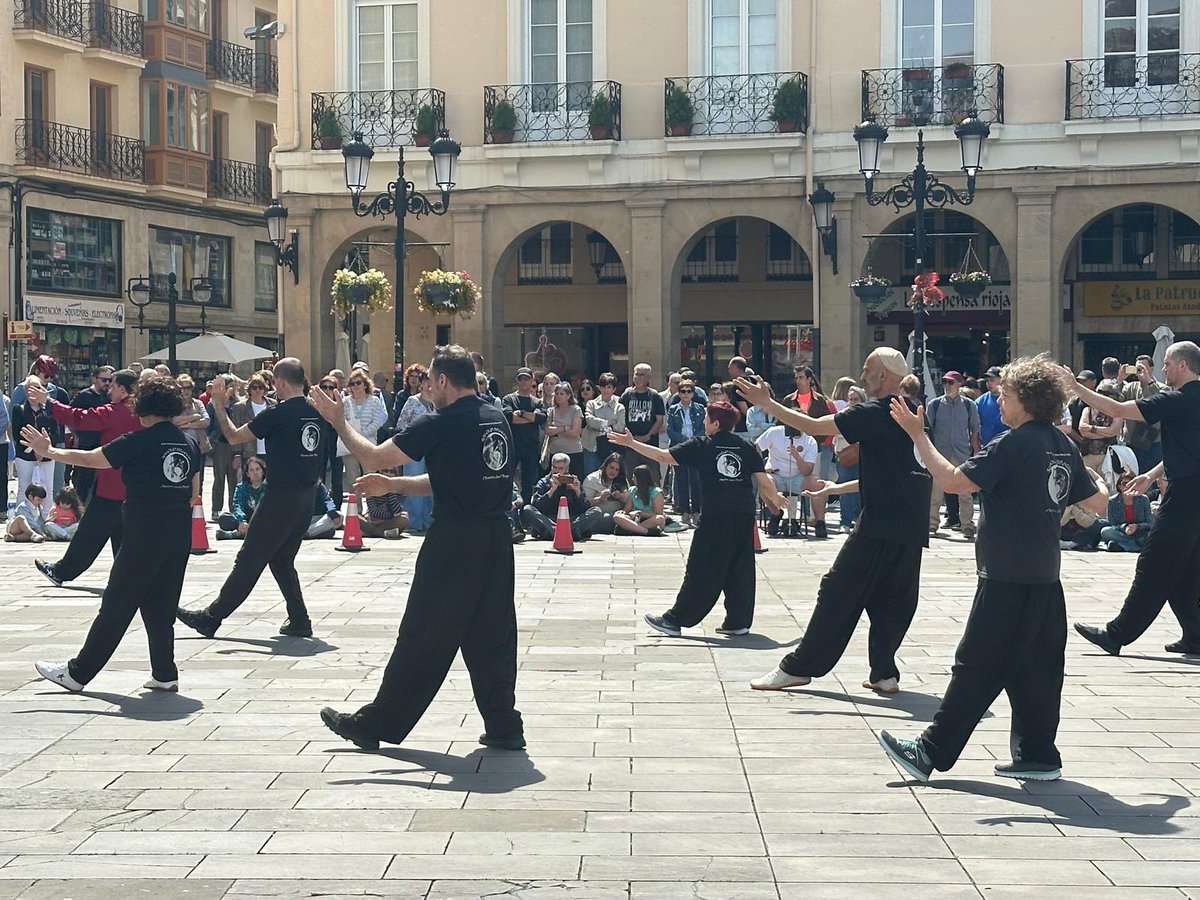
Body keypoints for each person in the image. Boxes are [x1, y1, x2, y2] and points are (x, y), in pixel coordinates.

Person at [877, 355, 1107, 783]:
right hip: (1044, 578)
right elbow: (1098, 503)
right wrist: (1105, 482)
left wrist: (917, 435)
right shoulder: (1061, 444)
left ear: (1027, 399)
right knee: (1038, 669)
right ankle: (1038, 755)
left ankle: (928, 752)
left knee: (975, 664)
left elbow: (952, 481)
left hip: (1005, 576)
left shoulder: (1014, 443)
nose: (1000, 399)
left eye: (1007, 393)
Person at [310, 345, 524, 752]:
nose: (428, 386)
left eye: (430, 379)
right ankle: (504, 725)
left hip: (454, 541)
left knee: (424, 631)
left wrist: (340, 421)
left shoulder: (439, 421)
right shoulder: (495, 417)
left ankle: (375, 724)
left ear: (443, 380)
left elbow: (373, 455)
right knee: (492, 634)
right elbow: (452, 478)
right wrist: (394, 485)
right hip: (495, 539)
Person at [737, 348, 932, 695]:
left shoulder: (877, 411)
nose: (862, 375)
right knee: (894, 599)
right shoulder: (915, 413)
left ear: (884, 375)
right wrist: (841, 486)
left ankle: (798, 667)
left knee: (836, 590)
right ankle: (884, 673)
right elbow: (902, 472)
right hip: (910, 525)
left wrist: (767, 403)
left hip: (879, 524)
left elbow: (813, 427)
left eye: (868, 369)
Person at [25, 374, 197, 694]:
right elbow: (193, 490)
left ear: (143, 405)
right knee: (161, 605)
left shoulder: (140, 438)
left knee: (117, 604)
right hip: (178, 534)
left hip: (145, 533)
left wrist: (50, 451)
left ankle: (78, 673)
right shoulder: (186, 441)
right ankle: (165, 672)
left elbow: (94, 459)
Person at [176, 358, 325, 640]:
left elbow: (233, 436)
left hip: (280, 496)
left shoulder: (276, 413)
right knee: (281, 559)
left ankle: (211, 617)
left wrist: (218, 404)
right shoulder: (317, 410)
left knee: (249, 558)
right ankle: (299, 619)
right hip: (306, 497)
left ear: (279, 382)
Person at [609, 401, 785, 636]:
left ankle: (675, 620)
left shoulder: (703, 445)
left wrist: (632, 444)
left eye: (706, 419)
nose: (703, 422)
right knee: (739, 567)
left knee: (701, 567)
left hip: (716, 516)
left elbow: (664, 457)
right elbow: (764, 482)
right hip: (743, 514)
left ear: (715, 423)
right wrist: (776, 500)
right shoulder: (746, 446)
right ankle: (738, 621)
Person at [1069, 341, 1200, 656]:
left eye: (1167, 363)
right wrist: (1152, 475)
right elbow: (1190, 449)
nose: (1163, 369)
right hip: (1192, 491)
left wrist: (1076, 388)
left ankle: (1116, 634)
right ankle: (1196, 636)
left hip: (1185, 495)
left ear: (1182, 366)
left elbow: (1116, 410)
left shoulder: (1176, 399)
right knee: (1183, 569)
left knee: (1154, 563)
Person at [30, 369, 141, 588]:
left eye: (113, 384)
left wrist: (49, 402)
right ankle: (128, 579)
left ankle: (62, 571)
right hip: (134, 486)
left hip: (111, 485)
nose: (109, 389)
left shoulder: (114, 411)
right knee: (122, 536)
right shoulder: (143, 412)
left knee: (89, 534)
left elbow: (79, 418)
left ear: (122, 389)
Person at [926, 371, 981, 539]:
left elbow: (974, 429)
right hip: (940, 453)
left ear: (959, 384)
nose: (947, 386)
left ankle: (967, 525)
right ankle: (931, 524)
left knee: (965, 492)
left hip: (961, 452)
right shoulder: (934, 405)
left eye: (950, 382)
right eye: (945, 382)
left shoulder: (968, 405)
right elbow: (928, 430)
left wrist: (976, 451)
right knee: (935, 492)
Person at [755, 421, 821, 537]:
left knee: (818, 483)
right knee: (764, 481)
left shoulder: (810, 441)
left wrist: (796, 456)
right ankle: (775, 513)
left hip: (798, 477)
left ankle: (820, 523)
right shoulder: (774, 432)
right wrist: (762, 468)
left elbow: (807, 471)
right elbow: (756, 448)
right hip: (776, 474)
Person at [519, 453, 604, 541]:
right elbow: (536, 506)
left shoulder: (573, 482)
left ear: (567, 469)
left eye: (560, 468)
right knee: (527, 509)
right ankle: (566, 533)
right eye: (554, 467)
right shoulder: (543, 482)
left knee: (596, 511)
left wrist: (577, 491)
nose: (556, 471)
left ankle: (557, 532)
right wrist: (552, 490)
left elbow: (584, 509)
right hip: (549, 519)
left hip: (570, 520)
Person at [784, 366, 836, 500]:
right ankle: (792, 517)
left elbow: (827, 423)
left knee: (815, 482)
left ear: (809, 379)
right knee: (791, 481)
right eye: (796, 378)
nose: (798, 381)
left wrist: (817, 440)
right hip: (792, 447)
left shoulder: (820, 400)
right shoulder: (788, 400)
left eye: (801, 377)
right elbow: (780, 423)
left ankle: (815, 517)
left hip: (814, 448)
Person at [396, 372, 436, 533]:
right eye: (426, 381)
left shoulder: (438, 403)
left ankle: (429, 521)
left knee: (431, 485)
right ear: (421, 384)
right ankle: (413, 522)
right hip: (414, 450)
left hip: (433, 450)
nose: (429, 384)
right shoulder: (412, 401)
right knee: (413, 482)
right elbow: (401, 424)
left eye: (431, 381)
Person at [69, 366, 114, 501]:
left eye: (110, 380)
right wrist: (76, 435)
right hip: (87, 445)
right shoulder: (83, 396)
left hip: (107, 445)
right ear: (94, 379)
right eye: (103, 380)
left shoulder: (111, 397)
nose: (107, 383)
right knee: (82, 481)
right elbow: (70, 416)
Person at [341, 371, 388, 496]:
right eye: (352, 383)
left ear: (365, 384)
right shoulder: (345, 402)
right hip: (350, 447)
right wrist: (352, 437)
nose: (356, 386)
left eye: (358, 383)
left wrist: (361, 435)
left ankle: (373, 510)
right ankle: (357, 511)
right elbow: (342, 420)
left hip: (369, 445)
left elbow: (378, 422)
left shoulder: (374, 401)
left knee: (371, 479)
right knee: (353, 480)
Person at [502, 368, 546, 504]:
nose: (524, 382)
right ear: (517, 381)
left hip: (531, 447)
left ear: (532, 381)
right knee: (508, 480)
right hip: (514, 445)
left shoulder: (537, 402)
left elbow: (541, 418)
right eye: (521, 379)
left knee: (528, 483)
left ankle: (526, 512)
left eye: (527, 379)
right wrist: (530, 417)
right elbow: (509, 417)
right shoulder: (509, 399)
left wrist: (521, 413)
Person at [667, 380, 706, 526]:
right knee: (681, 479)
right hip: (680, 446)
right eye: (683, 391)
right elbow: (670, 430)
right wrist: (684, 441)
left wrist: (694, 440)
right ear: (679, 393)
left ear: (693, 393)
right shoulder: (673, 409)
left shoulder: (700, 408)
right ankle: (684, 511)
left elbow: (703, 428)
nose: (686, 394)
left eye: (689, 391)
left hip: (696, 447)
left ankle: (696, 511)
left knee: (695, 480)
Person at [620, 364, 665, 483]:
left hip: (650, 445)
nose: (638, 377)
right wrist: (630, 437)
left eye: (642, 375)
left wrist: (648, 436)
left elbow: (659, 420)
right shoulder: (626, 396)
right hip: (631, 445)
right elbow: (620, 419)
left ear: (649, 377)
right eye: (636, 374)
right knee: (631, 478)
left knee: (653, 478)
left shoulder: (655, 396)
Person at [1121, 354, 1166, 475]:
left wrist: (1148, 382)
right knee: (1132, 473)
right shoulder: (1130, 387)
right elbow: (1116, 401)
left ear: (1151, 369)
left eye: (1143, 368)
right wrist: (1120, 380)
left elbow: (1161, 401)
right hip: (1131, 439)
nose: (1139, 371)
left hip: (1154, 440)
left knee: (1152, 475)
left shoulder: (1163, 388)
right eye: (1137, 368)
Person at [831, 386, 867, 533]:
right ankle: (844, 521)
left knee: (862, 489)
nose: (852, 402)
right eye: (850, 399)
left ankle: (860, 520)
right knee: (845, 490)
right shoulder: (842, 415)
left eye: (855, 399)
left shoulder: (867, 414)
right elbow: (836, 433)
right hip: (845, 457)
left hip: (863, 457)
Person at [207, 374, 241, 522]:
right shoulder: (212, 404)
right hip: (220, 443)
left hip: (235, 444)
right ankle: (216, 509)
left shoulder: (238, 404)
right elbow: (210, 423)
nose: (233, 389)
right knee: (219, 477)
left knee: (234, 479)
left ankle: (234, 509)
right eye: (230, 385)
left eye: (235, 385)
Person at [1100, 468, 1153, 553]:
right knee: (1105, 531)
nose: (1127, 486)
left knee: (1148, 536)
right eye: (1125, 484)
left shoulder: (1143, 499)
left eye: (1131, 484)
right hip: (1122, 533)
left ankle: (1122, 546)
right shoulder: (1112, 501)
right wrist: (1124, 528)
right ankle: (1134, 545)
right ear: (1119, 486)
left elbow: (1150, 522)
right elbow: (1112, 523)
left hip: (1140, 532)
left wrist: (1137, 527)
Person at [584, 373, 625, 474]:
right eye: (603, 387)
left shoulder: (620, 406)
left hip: (612, 447)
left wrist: (599, 424)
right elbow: (589, 420)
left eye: (609, 387)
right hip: (591, 446)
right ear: (599, 388)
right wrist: (607, 423)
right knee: (591, 475)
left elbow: (620, 427)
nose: (605, 390)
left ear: (614, 389)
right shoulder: (591, 404)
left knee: (611, 477)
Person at [216, 456, 267, 540]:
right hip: (246, 519)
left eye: (258, 469)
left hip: (263, 519)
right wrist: (241, 520)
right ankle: (247, 532)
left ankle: (235, 535)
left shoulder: (268, 488)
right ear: (247, 473)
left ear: (263, 472)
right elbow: (238, 505)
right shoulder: (241, 487)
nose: (255, 472)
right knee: (224, 519)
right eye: (251, 470)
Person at [1078, 381, 1123, 470]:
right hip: (1087, 455)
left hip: (1108, 456)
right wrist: (1105, 433)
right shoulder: (1088, 410)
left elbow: (1113, 431)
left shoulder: (1117, 413)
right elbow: (1082, 430)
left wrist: (1092, 428)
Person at [583, 452, 629, 535]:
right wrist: (600, 499)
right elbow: (585, 503)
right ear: (605, 466)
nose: (613, 471)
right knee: (606, 518)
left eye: (617, 470)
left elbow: (629, 500)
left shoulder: (622, 479)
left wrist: (620, 496)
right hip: (600, 515)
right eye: (611, 468)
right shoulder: (592, 479)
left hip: (619, 515)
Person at [612, 465, 667, 536]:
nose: (632, 479)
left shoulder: (656, 492)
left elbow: (658, 514)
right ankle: (644, 531)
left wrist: (640, 513)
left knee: (660, 519)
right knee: (617, 516)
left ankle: (631, 529)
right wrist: (623, 512)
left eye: (634, 477)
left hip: (650, 519)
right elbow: (627, 508)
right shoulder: (632, 490)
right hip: (635, 519)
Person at [544, 383, 585, 478]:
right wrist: (566, 428)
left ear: (568, 395)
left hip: (573, 452)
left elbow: (575, 432)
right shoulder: (551, 411)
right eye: (557, 393)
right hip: (555, 452)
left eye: (561, 394)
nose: (558, 396)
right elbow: (548, 431)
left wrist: (557, 431)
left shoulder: (576, 409)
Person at [975, 366, 1009, 447]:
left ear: (1001, 380)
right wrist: (976, 449)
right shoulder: (980, 402)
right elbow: (974, 428)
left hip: (1009, 447)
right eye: (987, 381)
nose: (989, 383)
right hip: (987, 448)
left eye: (992, 380)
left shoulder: (1011, 399)